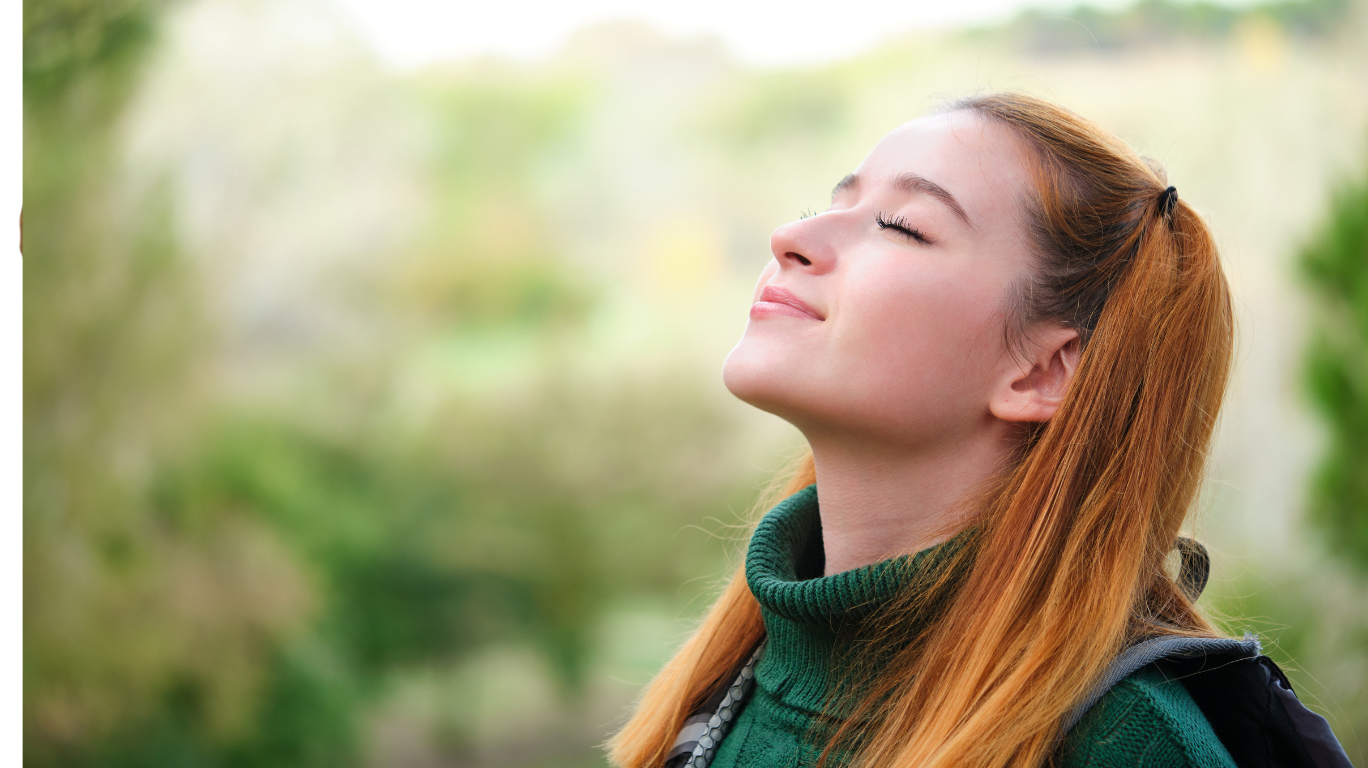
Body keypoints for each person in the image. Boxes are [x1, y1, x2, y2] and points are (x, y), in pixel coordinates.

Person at [608, 93, 1352, 768]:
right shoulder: (723, 689)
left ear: (1043, 371)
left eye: (901, 227)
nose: (789, 237)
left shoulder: (1128, 745)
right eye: (827, 203)